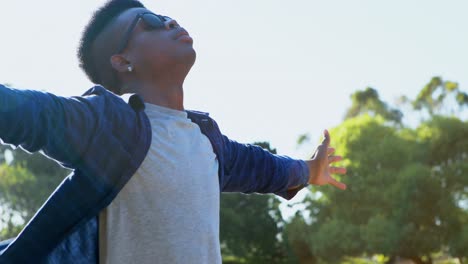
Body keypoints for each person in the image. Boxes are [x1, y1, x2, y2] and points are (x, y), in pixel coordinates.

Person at [0, 0, 347, 263]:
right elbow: (25, 113)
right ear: (122, 61)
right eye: (149, 21)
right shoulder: (106, 126)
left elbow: (267, 169)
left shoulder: (210, 144)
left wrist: (310, 170)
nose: (168, 20)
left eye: (165, 15)